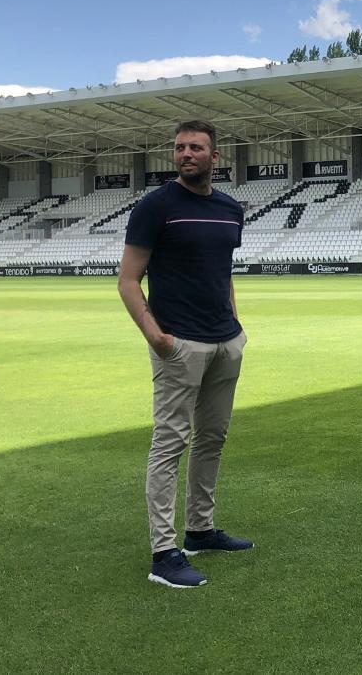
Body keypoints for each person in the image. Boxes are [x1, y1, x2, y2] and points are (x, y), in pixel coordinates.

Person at [118, 118, 253, 588]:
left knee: (212, 438)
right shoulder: (155, 208)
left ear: (216, 157)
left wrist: (236, 329)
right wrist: (158, 338)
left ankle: (200, 530)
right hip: (180, 344)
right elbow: (128, 280)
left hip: (224, 341)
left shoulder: (230, 209)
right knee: (169, 443)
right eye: (179, 147)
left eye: (196, 147)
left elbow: (224, 272)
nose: (186, 154)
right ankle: (164, 553)